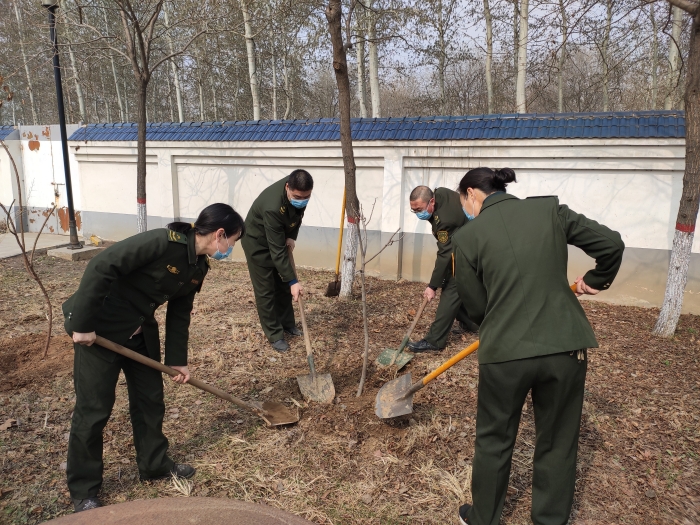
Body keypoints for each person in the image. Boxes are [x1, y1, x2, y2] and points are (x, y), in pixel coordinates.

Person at [451, 167, 624, 525]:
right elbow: (611, 244)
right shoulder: (550, 212)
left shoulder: (467, 238)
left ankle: (484, 517)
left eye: (462, 201)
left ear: (472, 194)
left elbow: (476, 306)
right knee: (558, 439)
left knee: (494, 437)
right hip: (564, 346)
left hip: (504, 352)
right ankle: (549, 520)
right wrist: (596, 279)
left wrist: (499, 317)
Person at [62, 203, 245, 512]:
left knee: (150, 400)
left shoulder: (198, 267)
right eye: (233, 241)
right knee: (94, 410)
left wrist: (177, 360)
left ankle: (154, 464)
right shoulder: (161, 242)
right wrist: (82, 325)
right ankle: (84, 489)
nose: (232, 249)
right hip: (100, 332)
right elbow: (101, 266)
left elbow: (179, 313)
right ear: (220, 234)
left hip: (140, 334)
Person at [241, 169, 313, 352]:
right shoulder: (272, 206)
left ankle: (287, 323)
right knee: (266, 290)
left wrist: (292, 236)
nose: (302, 200)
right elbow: (277, 252)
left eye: (306, 197)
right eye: (297, 196)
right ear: (287, 187)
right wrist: (294, 281)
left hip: (277, 238)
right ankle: (274, 334)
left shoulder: (300, 191)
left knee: (282, 286)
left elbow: (297, 215)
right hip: (258, 243)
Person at [406, 185, 479, 353]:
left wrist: (432, 286)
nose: (418, 214)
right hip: (466, 246)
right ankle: (473, 324)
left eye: (419, 209)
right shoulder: (441, 192)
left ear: (432, 201)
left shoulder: (444, 221)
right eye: (413, 210)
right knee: (458, 292)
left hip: (468, 254)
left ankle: (434, 341)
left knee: (450, 292)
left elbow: (445, 253)